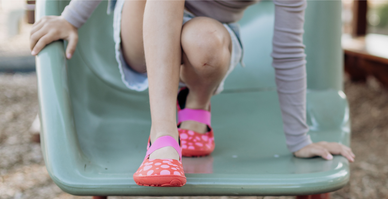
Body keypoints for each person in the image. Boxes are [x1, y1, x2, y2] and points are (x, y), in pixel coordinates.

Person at [30, 0, 355, 187]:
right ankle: (163, 138)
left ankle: (196, 102)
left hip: (206, 31)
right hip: (144, 22)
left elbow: (287, 50)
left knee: (206, 43)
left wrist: (300, 140)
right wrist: (70, 19)